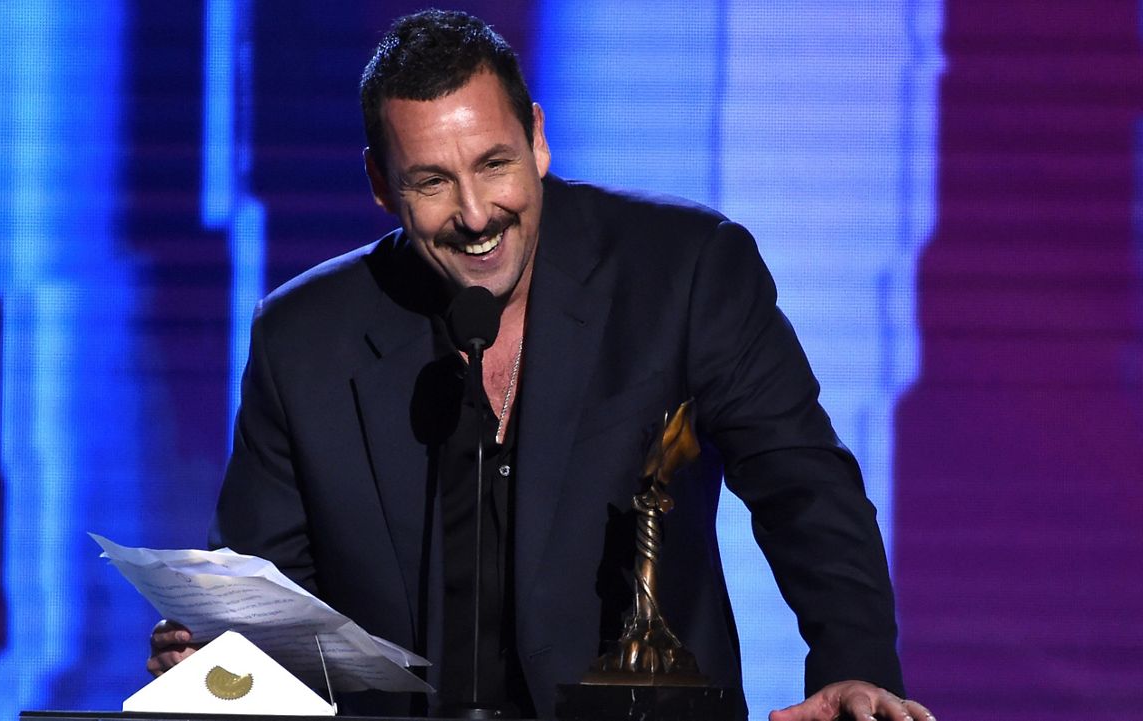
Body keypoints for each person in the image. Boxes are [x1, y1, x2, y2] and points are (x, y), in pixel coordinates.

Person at [148, 10, 934, 721]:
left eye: (494, 163)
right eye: (432, 182)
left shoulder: (685, 273)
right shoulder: (303, 338)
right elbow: (267, 601)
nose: (477, 213)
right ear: (382, 188)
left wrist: (856, 670)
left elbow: (807, 490)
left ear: (538, 138)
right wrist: (220, 664)